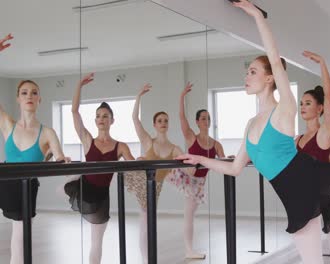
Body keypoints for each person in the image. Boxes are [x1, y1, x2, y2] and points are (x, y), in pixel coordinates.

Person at [176, 2, 330, 263]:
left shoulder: (284, 109)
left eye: (253, 71)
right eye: (246, 72)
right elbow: (235, 168)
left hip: (315, 175)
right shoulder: (249, 125)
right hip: (295, 200)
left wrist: (257, 16)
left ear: (269, 79)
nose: (246, 76)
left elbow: (276, 61)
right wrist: (201, 160)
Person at [64, 73, 135, 264]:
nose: (101, 119)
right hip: (85, 189)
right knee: (94, 239)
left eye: (105, 116)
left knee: (96, 241)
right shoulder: (88, 140)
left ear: (112, 120)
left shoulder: (120, 146)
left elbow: (133, 165)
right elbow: (74, 112)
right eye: (97, 116)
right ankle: (72, 181)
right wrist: (79, 85)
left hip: (102, 196)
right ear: (95, 121)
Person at [125, 83, 184, 264]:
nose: (163, 123)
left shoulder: (174, 148)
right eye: (160, 121)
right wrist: (139, 96)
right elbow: (134, 118)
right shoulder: (148, 141)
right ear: (154, 124)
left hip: (156, 186)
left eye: (166, 121)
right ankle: (147, 259)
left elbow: (187, 162)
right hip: (140, 180)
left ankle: (148, 258)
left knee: (148, 221)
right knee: (146, 220)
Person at [179, 82, 226, 259]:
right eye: (203, 118)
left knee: (190, 214)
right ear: (197, 122)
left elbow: (224, 163)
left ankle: (189, 249)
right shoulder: (192, 138)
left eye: (208, 118)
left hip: (199, 183)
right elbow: (182, 118)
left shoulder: (216, 144)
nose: (206, 121)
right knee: (189, 215)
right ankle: (189, 250)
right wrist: (182, 97)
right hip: (186, 178)